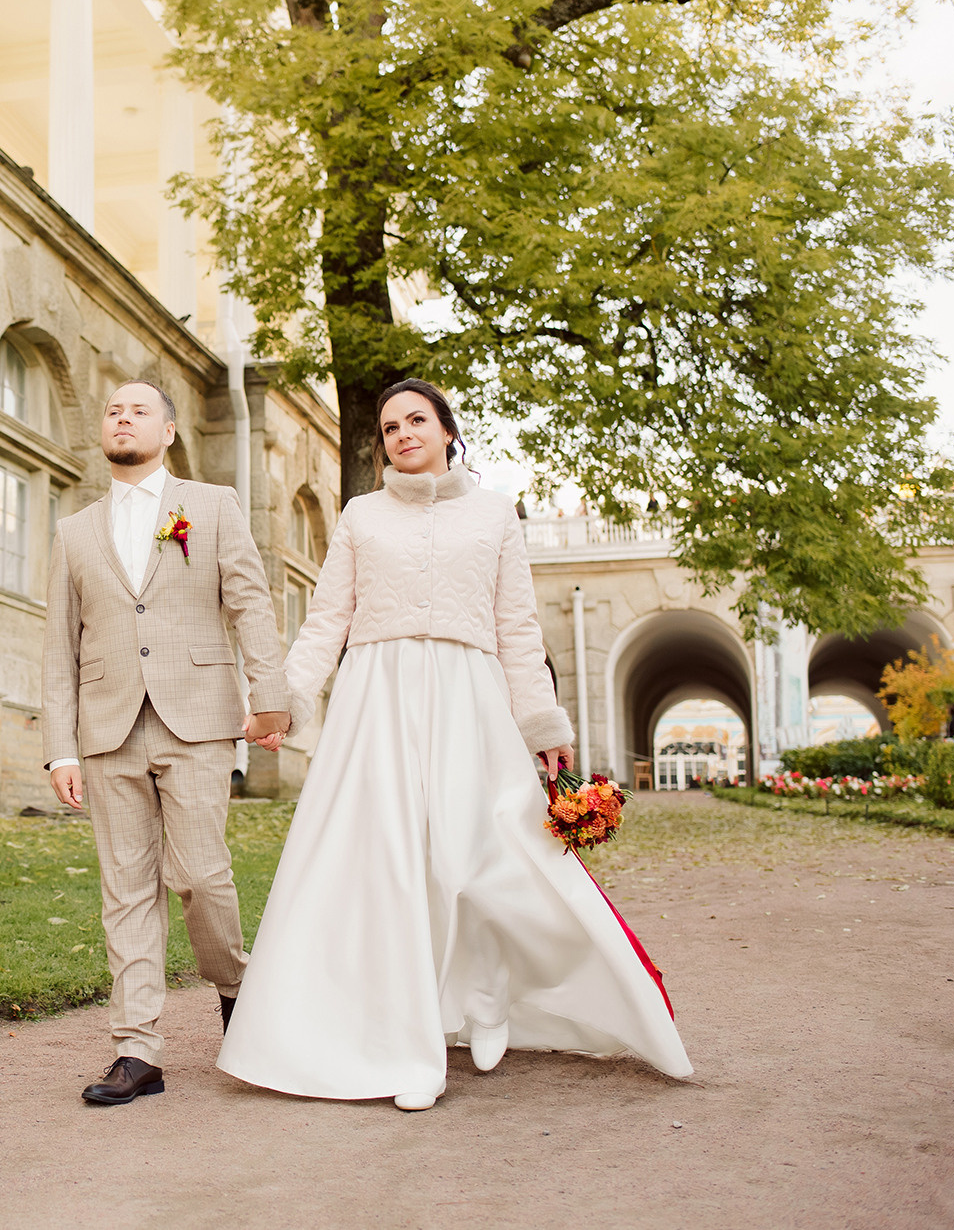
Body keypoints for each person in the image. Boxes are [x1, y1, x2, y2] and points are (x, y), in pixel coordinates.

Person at [220, 379, 691, 1111]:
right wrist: (284, 699)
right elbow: (325, 620)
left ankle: (486, 987)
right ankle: (411, 1044)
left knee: (479, 857)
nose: (402, 432)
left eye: (417, 419)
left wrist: (542, 726)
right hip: (378, 697)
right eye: (389, 426)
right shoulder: (361, 516)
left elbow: (517, 628)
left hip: (470, 698)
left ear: (447, 430)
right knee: (386, 864)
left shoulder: (495, 514)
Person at [42, 380, 292, 1106]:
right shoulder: (74, 531)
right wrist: (61, 747)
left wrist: (269, 698)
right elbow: (59, 648)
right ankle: (137, 1049)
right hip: (107, 727)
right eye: (112, 408)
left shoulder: (210, 506)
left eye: (138, 408)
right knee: (125, 888)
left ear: (170, 430)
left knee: (200, 873)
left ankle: (237, 988)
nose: (121, 415)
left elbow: (248, 599)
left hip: (197, 716)